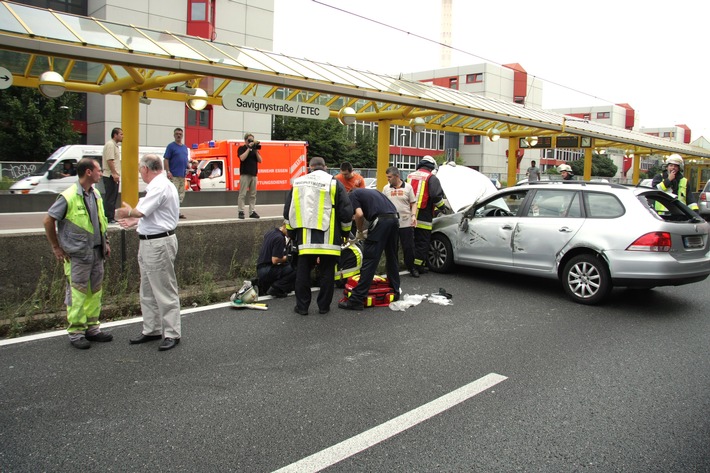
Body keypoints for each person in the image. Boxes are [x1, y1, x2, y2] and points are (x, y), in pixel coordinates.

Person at [43, 158, 113, 350]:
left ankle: (92, 328)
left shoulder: (96, 194)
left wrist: (105, 241)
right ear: (88, 172)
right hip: (78, 255)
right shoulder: (69, 196)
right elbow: (48, 220)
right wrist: (56, 247)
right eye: (98, 170)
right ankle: (76, 332)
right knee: (77, 293)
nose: (101, 173)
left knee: (95, 292)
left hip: (96, 253)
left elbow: (100, 222)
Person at [115, 154, 181, 352]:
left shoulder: (159, 186)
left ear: (145, 169)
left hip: (158, 244)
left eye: (139, 169)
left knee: (163, 289)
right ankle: (152, 328)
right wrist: (136, 221)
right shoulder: (162, 185)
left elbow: (141, 211)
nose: (139, 173)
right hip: (151, 242)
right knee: (147, 290)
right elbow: (154, 214)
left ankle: (172, 333)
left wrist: (127, 212)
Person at [284, 156, 352, 316]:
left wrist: (292, 234)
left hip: (304, 240)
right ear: (325, 167)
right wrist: (344, 233)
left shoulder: (298, 183)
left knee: (303, 274)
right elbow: (346, 212)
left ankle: (302, 307)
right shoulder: (334, 183)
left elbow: (288, 211)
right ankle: (323, 307)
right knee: (327, 274)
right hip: (329, 240)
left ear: (310, 168)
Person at [338, 188, 401, 311]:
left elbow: (359, 215)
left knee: (370, 259)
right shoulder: (372, 192)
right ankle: (395, 290)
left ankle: (357, 299)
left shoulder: (352, 195)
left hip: (381, 221)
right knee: (392, 256)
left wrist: (359, 231)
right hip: (394, 219)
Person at [406, 156, 446, 274]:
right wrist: (443, 207)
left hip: (408, 214)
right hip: (424, 215)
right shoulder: (431, 178)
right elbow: (435, 196)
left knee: (410, 241)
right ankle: (418, 267)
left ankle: (410, 265)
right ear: (432, 167)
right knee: (422, 241)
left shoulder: (410, 176)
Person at [381, 166, 418, 277]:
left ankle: (411, 267)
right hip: (392, 223)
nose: (388, 179)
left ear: (397, 176)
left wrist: (413, 216)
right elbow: (382, 203)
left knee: (408, 247)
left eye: (389, 177)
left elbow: (414, 203)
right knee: (392, 247)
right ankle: (393, 269)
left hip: (406, 222)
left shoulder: (408, 187)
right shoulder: (386, 188)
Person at [256, 223, 296, 298]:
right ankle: (277, 288)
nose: (290, 235)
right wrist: (288, 257)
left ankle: (269, 287)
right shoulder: (280, 238)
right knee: (294, 268)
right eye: (290, 232)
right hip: (267, 270)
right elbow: (275, 260)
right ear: (285, 228)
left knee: (285, 267)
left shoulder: (271, 233)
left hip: (260, 267)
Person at [164, 127, 189, 220]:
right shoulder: (171, 146)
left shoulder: (185, 147)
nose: (179, 135)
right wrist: (168, 171)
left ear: (182, 135)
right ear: (174, 135)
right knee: (172, 195)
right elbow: (166, 159)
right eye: (177, 134)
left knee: (180, 194)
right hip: (173, 175)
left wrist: (188, 167)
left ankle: (177, 212)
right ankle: (171, 213)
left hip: (182, 175)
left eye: (180, 134)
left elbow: (185, 160)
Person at [237, 133, 262, 219]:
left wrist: (255, 151)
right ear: (245, 141)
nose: (251, 141)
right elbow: (242, 158)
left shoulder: (254, 150)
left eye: (252, 140)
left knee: (253, 195)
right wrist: (249, 148)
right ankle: (241, 211)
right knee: (242, 194)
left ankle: (252, 211)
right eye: (249, 140)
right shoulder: (241, 148)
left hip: (254, 174)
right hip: (245, 174)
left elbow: (260, 160)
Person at [101, 127, 122, 223]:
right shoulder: (110, 145)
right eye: (121, 134)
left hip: (113, 175)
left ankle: (111, 217)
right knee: (110, 197)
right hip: (110, 175)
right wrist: (114, 173)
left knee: (113, 197)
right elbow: (110, 160)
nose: (123, 136)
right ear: (115, 135)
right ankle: (108, 217)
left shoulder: (115, 146)